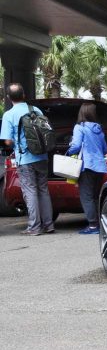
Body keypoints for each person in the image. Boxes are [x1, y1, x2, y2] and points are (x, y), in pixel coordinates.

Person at [0, 83, 55, 236]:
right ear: (24, 95)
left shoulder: (9, 115)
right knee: (43, 189)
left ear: (8, 97)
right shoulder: (35, 110)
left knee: (30, 191)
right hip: (42, 156)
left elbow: (8, 141)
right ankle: (48, 225)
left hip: (25, 158)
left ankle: (34, 227)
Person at [65, 103, 107, 234]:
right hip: (100, 166)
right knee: (95, 196)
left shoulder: (79, 127)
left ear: (82, 113)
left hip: (86, 166)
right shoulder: (99, 129)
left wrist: (68, 151)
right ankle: (100, 224)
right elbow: (105, 149)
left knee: (86, 196)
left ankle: (93, 226)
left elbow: (76, 145)